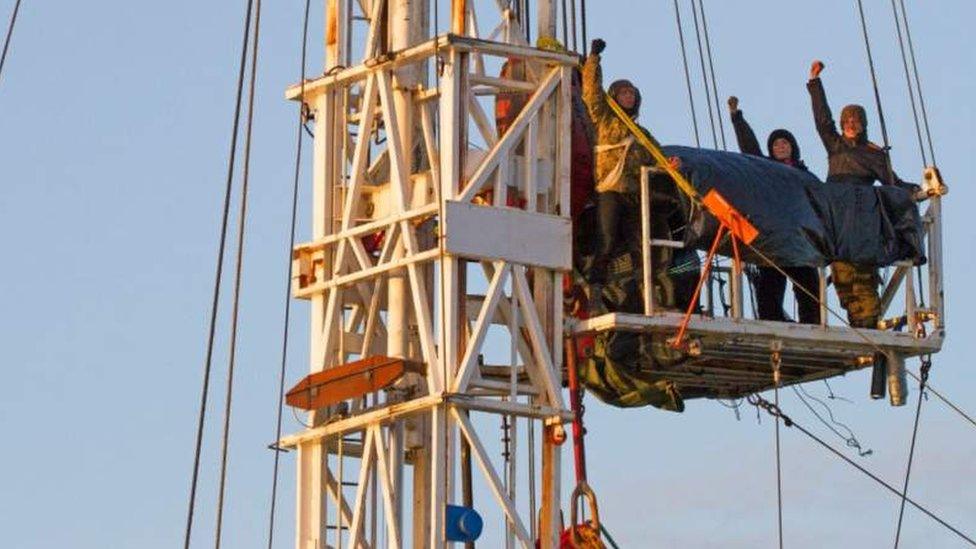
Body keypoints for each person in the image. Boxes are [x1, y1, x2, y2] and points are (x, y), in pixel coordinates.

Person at [807, 60, 920, 328]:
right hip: (837, 217)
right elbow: (822, 120)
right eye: (847, 120)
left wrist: (914, 189)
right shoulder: (835, 145)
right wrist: (814, 83)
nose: (850, 124)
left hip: (861, 221)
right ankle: (858, 321)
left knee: (863, 275)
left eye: (855, 121)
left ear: (863, 124)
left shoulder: (874, 154)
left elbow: (892, 182)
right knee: (842, 275)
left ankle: (868, 322)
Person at [582, 38, 676, 314]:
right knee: (607, 240)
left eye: (631, 93)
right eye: (622, 93)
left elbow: (659, 158)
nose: (628, 97)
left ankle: (647, 297)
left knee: (642, 247)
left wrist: (673, 165)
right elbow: (592, 93)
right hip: (609, 190)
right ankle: (595, 293)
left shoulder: (642, 135)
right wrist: (593, 60)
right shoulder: (605, 119)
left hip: (634, 194)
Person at [726, 96, 821, 324]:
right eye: (776, 144)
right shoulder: (766, 171)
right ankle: (772, 321)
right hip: (774, 238)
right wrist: (736, 117)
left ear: (792, 148)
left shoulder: (806, 177)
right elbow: (749, 148)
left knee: (807, 286)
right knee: (769, 285)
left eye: (784, 143)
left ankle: (811, 324)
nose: (780, 146)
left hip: (799, 239)